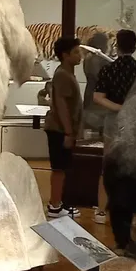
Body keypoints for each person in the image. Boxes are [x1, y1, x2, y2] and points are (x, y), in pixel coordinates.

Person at [91, 29, 136, 224]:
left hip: (113, 121)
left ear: (116, 46)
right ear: (135, 46)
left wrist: (118, 108)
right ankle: (134, 211)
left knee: (108, 166)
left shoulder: (107, 70)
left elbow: (98, 97)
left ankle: (102, 212)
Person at [43, 36, 83, 217]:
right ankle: (55, 205)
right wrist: (68, 131)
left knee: (63, 167)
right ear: (65, 55)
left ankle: (61, 203)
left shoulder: (67, 74)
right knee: (59, 168)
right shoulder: (62, 75)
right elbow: (61, 105)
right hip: (59, 129)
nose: (80, 55)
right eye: (76, 52)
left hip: (63, 129)